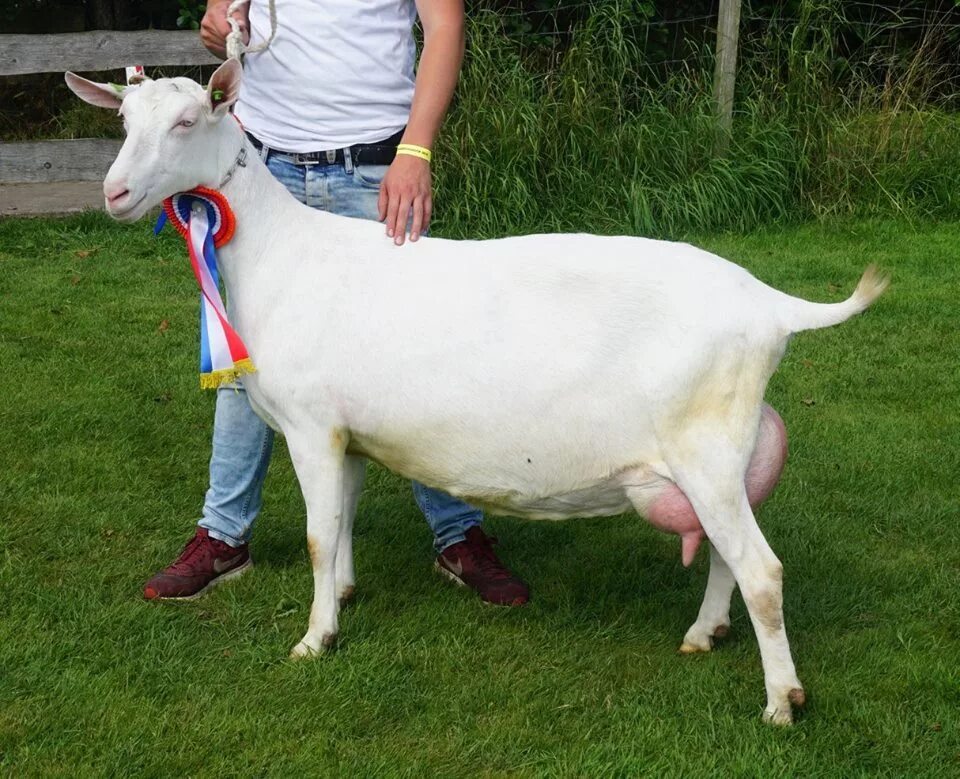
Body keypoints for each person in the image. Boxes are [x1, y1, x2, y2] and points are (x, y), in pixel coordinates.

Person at [143, 0, 528, 606]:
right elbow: (219, 24)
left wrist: (417, 151)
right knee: (246, 355)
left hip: (374, 170)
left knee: (414, 354)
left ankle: (458, 535)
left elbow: (446, 28)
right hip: (260, 164)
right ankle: (224, 533)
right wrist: (219, 30)